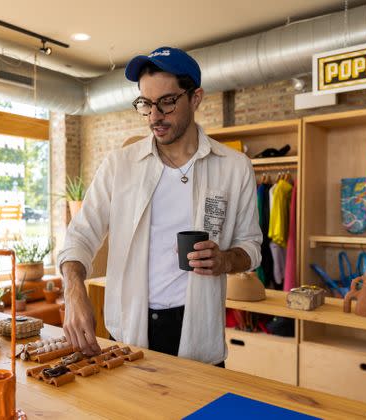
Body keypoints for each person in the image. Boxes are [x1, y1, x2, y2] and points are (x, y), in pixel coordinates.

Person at [57, 46, 262, 365]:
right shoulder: (120, 165)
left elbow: (251, 247)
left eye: (167, 102)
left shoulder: (234, 167)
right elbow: (81, 236)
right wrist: (73, 289)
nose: (154, 116)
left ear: (195, 98)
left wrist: (224, 260)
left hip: (199, 339)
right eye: (145, 103)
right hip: (129, 336)